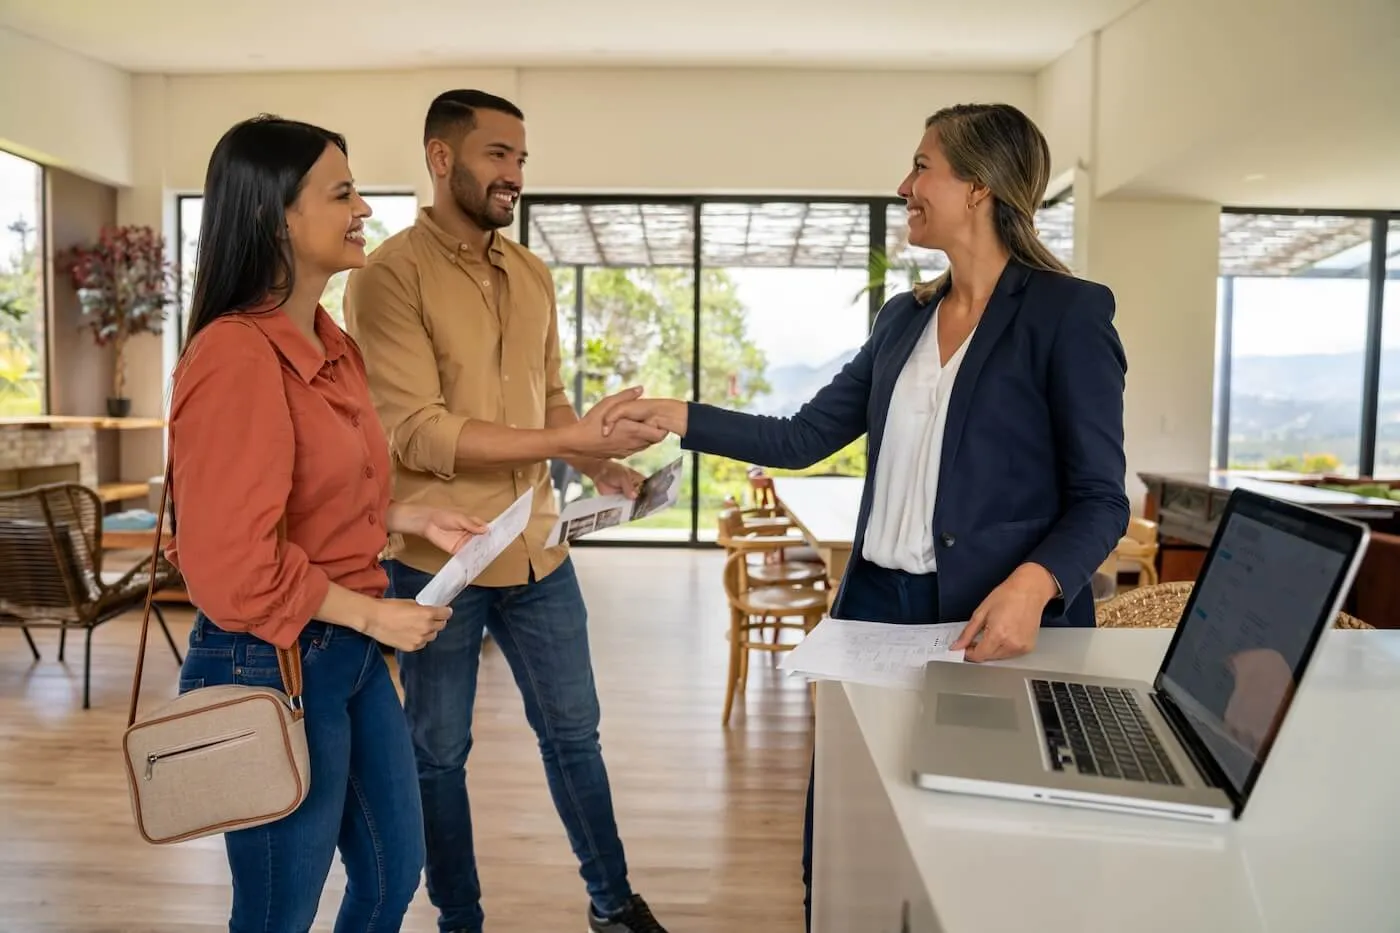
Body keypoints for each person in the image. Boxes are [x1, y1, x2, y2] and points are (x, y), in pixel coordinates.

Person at [603, 102, 1131, 930]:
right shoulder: (904, 318)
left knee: (969, 850)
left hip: (989, 625)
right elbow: (806, 434)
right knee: (844, 830)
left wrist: (1036, 582)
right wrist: (678, 414)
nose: (904, 186)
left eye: (923, 167)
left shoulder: (1066, 313)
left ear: (981, 187)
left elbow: (1102, 496)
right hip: (876, 611)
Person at [342, 90, 671, 933]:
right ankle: (461, 918)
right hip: (438, 562)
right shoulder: (388, 277)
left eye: (521, 158)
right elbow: (416, 430)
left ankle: (614, 904)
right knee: (438, 754)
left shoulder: (530, 275)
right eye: (497, 154)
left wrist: (600, 460)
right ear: (442, 157)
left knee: (576, 736)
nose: (514, 174)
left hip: (538, 552)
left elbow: (549, 401)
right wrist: (565, 432)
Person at [166, 114, 491, 933]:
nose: (364, 211)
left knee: (391, 874)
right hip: (268, 657)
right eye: (342, 193)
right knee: (279, 910)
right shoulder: (235, 355)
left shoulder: (331, 343)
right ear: (276, 215)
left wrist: (406, 513)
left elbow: (316, 497)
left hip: (341, 652)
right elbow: (235, 562)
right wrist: (376, 612)